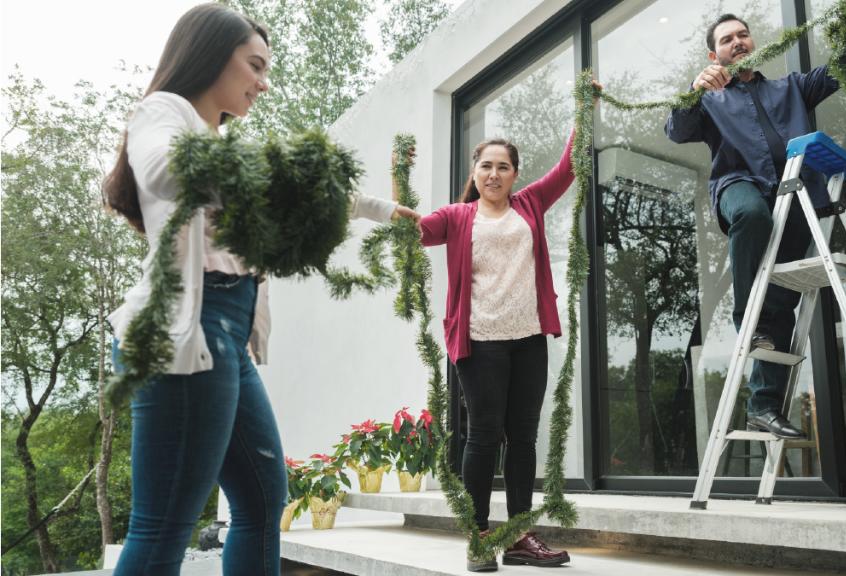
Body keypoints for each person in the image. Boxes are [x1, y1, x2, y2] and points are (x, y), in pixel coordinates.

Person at [103, 4, 417, 574]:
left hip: (228, 333)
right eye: (255, 66)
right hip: (187, 332)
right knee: (163, 525)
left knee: (264, 497)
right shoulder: (163, 112)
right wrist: (264, 177)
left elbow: (309, 189)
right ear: (209, 56)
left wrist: (384, 210)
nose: (264, 84)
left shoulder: (222, 140)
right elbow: (160, 170)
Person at [665, 1, 846, 439]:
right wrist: (694, 90)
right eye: (726, 39)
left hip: (794, 200)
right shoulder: (710, 98)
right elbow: (677, 130)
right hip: (739, 187)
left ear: (752, 43)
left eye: (742, 35)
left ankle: (762, 407)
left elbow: (842, 69)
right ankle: (746, 322)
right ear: (713, 55)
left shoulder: (792, 87)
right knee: (752, 215)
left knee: (779, 301)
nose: (737, 42)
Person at [415, 105, 595, 570]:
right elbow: (411, 231)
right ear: (473, 173)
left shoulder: (530, 204)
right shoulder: (456, 217)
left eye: (503, 167)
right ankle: (477, 537)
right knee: (483, 437)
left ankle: (518, 536)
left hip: (529, 338)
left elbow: (569, 167)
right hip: (479, 341)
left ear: (514, 174)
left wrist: (584, 108)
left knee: (524, 438)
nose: (493, 174)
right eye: (485, 166)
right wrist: (397, 180)